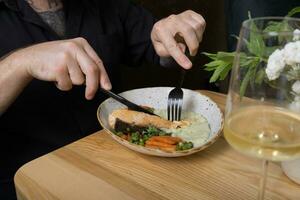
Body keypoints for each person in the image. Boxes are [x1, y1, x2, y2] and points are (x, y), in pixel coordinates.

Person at [0, 0, 206, 199]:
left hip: (121, 167)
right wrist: (21, 63)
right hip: (31, 179)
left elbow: (157, 47)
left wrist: (173, 38)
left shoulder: (108, 5)